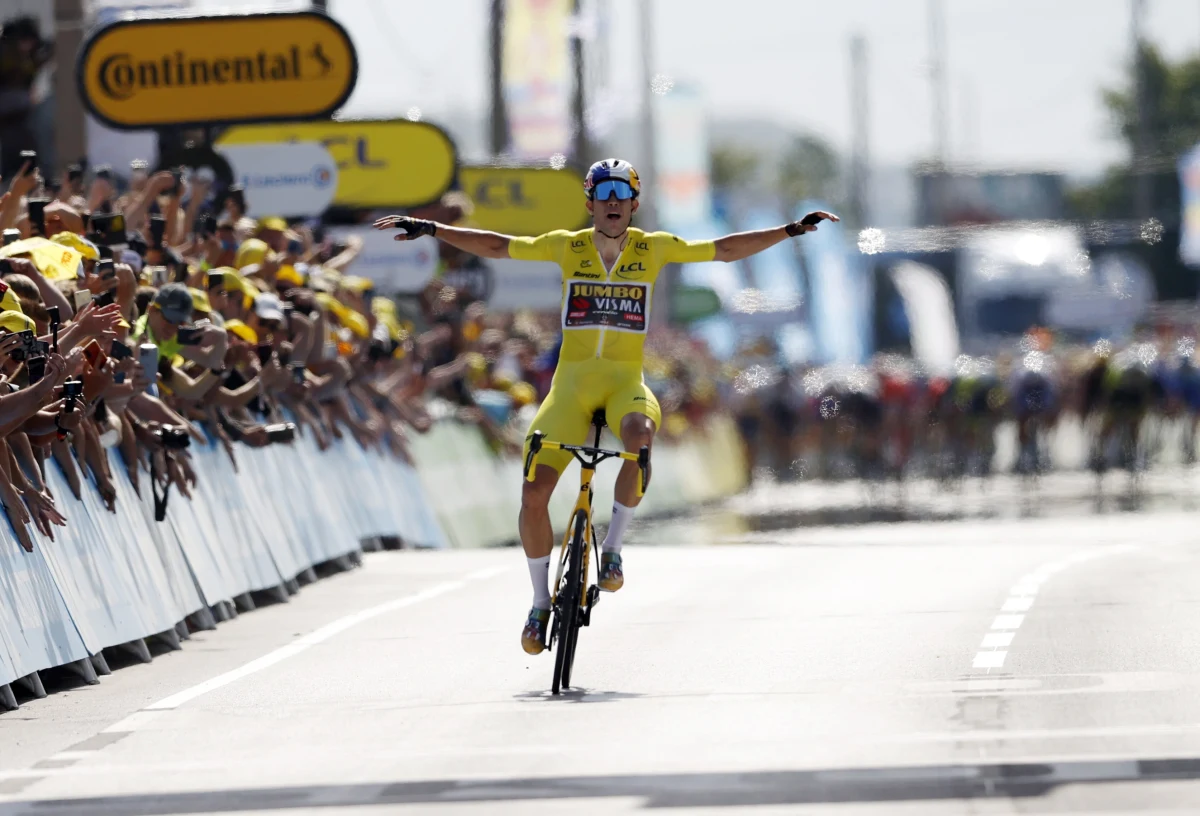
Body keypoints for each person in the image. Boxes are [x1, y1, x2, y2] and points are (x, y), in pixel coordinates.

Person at [375, 158, 838, 655]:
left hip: (624, 385)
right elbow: (496, 246)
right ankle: (538, 603)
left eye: (622, 194)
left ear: (634, 204)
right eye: (604, 193)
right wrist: (432, 228)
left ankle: (613, 549)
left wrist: (790, 230)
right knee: (534, 492)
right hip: (570, 390)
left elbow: (725, 250)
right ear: (591, 203)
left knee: (639, 435)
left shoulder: (653, 248)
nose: (613, 202)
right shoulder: (566, 246)